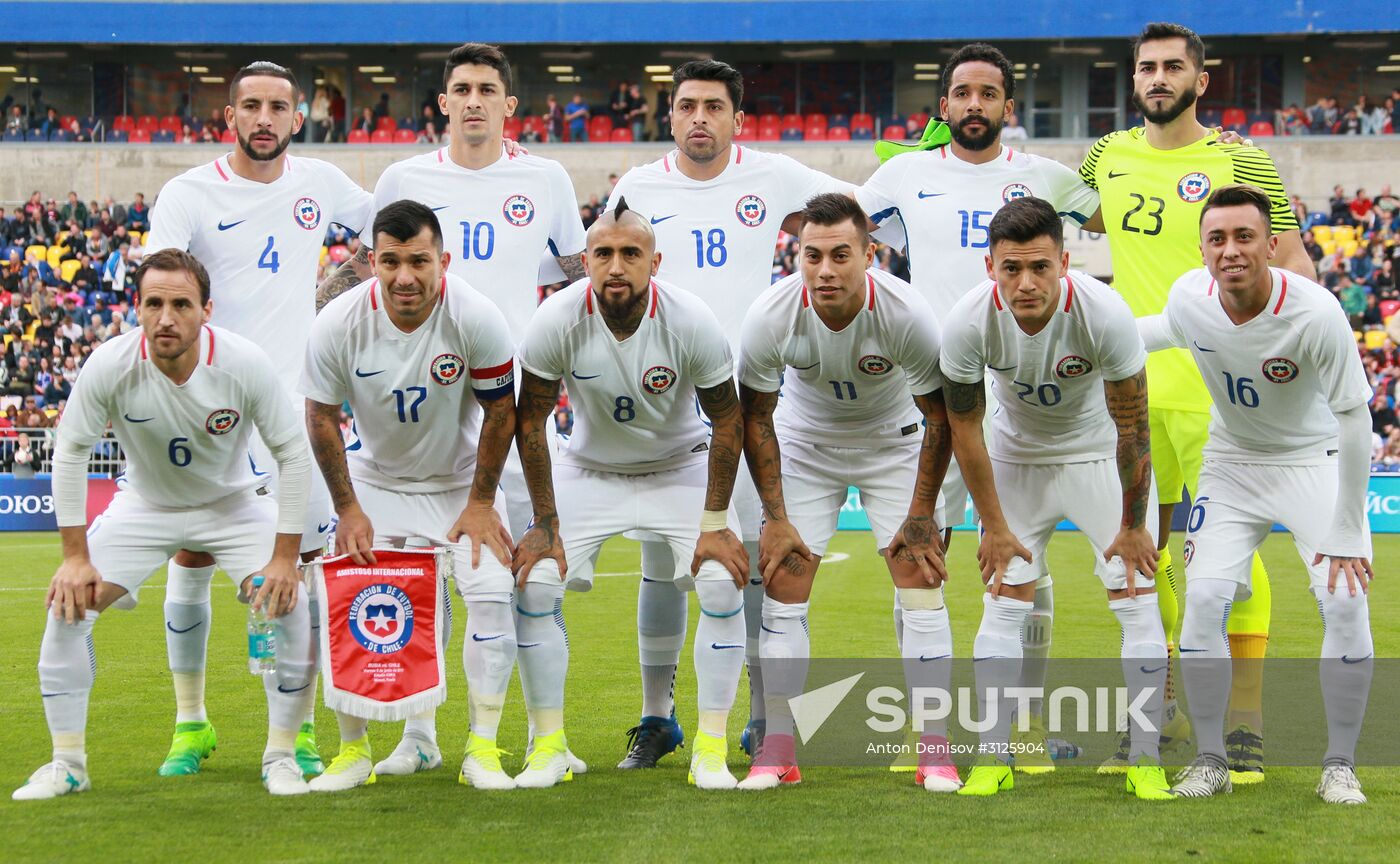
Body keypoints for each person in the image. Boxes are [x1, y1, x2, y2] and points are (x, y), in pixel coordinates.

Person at [316, 42, 586, 777]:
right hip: (421, 400)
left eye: (487, 89)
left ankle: (547, 740)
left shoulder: (546, 178)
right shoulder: (405, 178)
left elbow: (577, 278)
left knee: (534, 579)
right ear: (442, 102)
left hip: (510, 405)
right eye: (461, 88)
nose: (473, 100)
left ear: (509, 104)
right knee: (414, 578)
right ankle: (419, 735)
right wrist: (322, 310)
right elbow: (368, 263)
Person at [856, 43, 1111, 771]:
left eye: (988, 93)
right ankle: (925, 730)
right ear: (943, 107)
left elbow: (1116, 220)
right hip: (931, 400)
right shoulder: (903, 176)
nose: (975, 105)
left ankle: (1024, 724)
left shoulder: (1047, 177)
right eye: (962, 93)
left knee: (1029, 562)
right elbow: (844, 233)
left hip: (1023, 402)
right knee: (917, 554)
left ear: (1008, 106)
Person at [1077, 21, 1315, 780]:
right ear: (1133, 78)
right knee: (1145, 555)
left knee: (1229, 554)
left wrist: (1298, 355)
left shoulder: (1240, 159)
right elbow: (1055, 214)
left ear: (1200, 80)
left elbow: (1292, 259)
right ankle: (1162, 711)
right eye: (1146, 67)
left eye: (1173, 67)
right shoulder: (1106, 156)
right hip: (1131, 391)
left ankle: (1243, 722)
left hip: (1221, 393)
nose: (1158, 77)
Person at [604, 59, 857, 767]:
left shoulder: (773, 175)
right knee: (662, 562)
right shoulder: (637, 187)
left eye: (714, 106)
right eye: (687, 105)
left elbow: (865, 212)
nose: (699, 118)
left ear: (737, 119)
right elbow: (605, 275)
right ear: (670, 115)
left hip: (746, 401)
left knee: (752, 559)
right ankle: (658, 717)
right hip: (663, 400)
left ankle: (761, 717)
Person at [10, 248, 316, 801]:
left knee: (288, 603)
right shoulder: (110, 363)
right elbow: (71, 451)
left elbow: (293, 455)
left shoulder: (243, 362)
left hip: (232, 504)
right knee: (67, 606)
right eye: (153, 303)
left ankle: (281, 756)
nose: (166, 317)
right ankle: (68, 763)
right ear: (137, 308)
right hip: (145, 505)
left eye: (181, 304)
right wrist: (75, 558)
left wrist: (283, 558)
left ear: (206, 311)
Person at [144, 60, 374, 780]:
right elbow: (157, 280)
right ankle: (191, 722)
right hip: (209, 406)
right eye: (252, 106)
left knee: (300, 569)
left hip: (293, 410)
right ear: (231, 116)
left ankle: (296, 731)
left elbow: (389, 232)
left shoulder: (321, 183)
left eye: (279, 106)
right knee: (190, 557)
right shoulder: (189, 193)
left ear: (299, 117)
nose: (265, 118)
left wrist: (334, 288)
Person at [1135, 185, 1376, 805]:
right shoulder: (1190, 297)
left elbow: (1356, 421)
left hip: (1313, 462)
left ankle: (1340, 765)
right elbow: (1155, 331)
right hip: (1232, 464)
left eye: (1244, 237)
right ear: (1202, 249)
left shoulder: (1316, 313)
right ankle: (1211, 759)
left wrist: (1348, 527)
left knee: (1344, 602)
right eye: (1217, 239)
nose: (1230, 250)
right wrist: (1072, 329)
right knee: (1203, 600)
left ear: (1271, 245)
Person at [513, 199, 749, 789]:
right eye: (603, 254)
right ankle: (548, 747)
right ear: (586, 260)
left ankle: (711, 749)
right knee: (535, 582)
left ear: (654, 262)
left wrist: (715, 522)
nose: (616, 266)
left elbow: (728, 419)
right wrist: (544, 520)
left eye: (630, 254)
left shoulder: (690, 318)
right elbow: (530, 418)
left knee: (721, 581)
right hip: (590, 468)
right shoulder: (556, 318)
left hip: (679, 467)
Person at [938, 197, 1167, 799]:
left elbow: (1134, 427)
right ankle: (993, 758)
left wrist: (1133, 524)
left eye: (1040, 267)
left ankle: (1145, 761)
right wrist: (993, 525)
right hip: (1017, 461)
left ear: (1065, 263)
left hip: (1099, 457)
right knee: (1003, 602)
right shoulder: (967, 322)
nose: (1026, 283)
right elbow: (965, 429)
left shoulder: (1104, 313)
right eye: (1011, 268)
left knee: (1136, 600)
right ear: (990, 267)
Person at [735, 194, 955, 792]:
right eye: (812, 256)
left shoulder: (906, 313)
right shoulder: (771, 314)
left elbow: (941, 418)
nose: (825, 270)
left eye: (840, 255)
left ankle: (935, 750)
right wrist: (775, 517)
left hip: (895, 443)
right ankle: (778, 751)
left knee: (920, 582)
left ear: (869, 254)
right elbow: (755, 417)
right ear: (797, 256)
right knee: (784, 587)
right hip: (804, 446)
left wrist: (921, 513)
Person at [301, 201, 520, 792]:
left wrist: (481, 502)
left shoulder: (475, 315)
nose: (404, 276)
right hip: (376, 482)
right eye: (391, 261)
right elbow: (319, 415)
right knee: (349, 601)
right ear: (371, 261)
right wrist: (348, 509)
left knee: (492, 596)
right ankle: (361, 750)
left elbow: (502, 409)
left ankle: (482, 749)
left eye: (419, 261)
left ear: (443, 261)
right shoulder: (339, 322)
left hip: (461, 485)